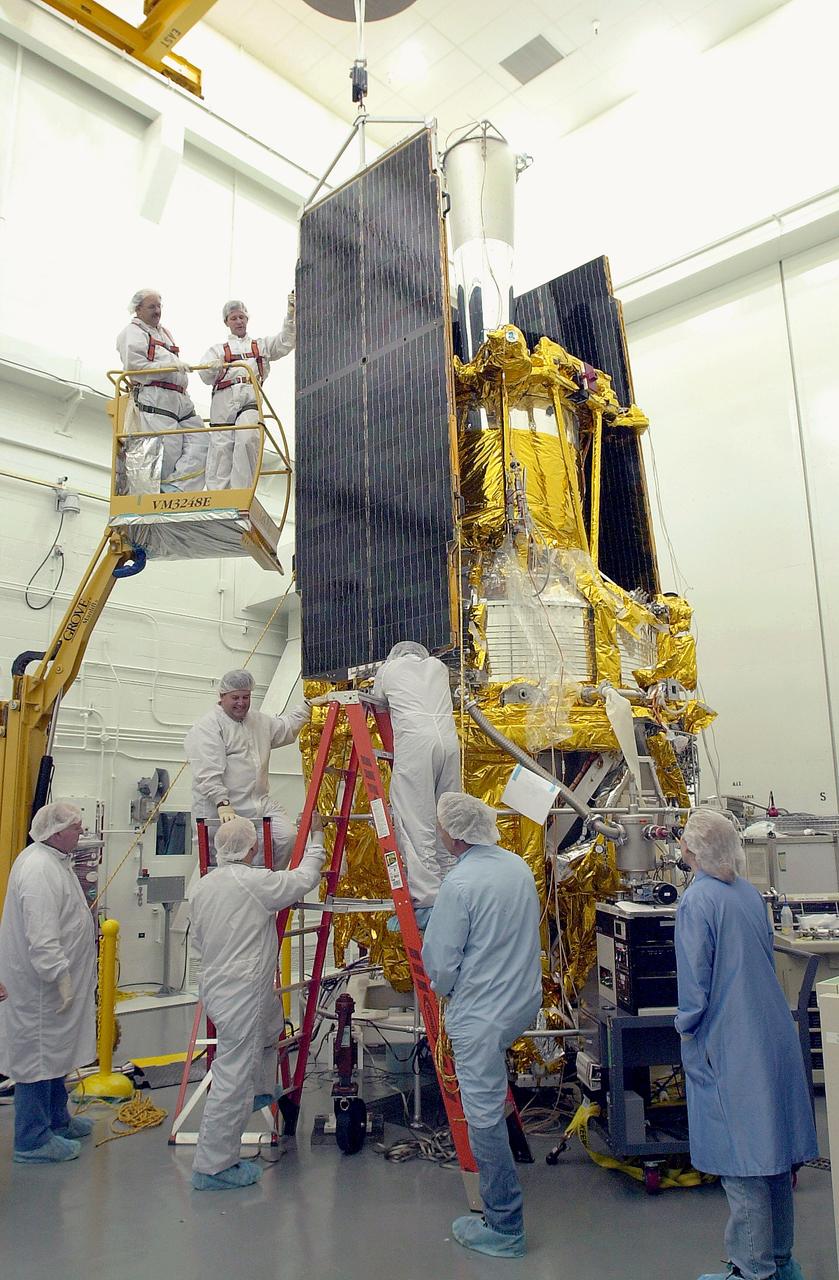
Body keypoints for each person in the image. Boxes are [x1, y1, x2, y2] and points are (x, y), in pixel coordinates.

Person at [676, 809, 818, 1280]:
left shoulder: (698, 901)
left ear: (693, 849)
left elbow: (695, 986)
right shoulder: (747, 894)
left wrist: (685, 1027)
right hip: (770, 1030)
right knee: (772, 1155)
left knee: (744, 1162)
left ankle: (751, 1269)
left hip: (730, 1039)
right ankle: (780, 1260)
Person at [422, 793, 542, 1259]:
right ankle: (502, 1213)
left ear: (454, 833)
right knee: (491, 1099)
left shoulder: (459, 884)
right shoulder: (516, 866)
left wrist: (432, 941)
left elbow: (442, 967)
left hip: (480, 1015)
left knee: (484, 1117)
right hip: (520, 1003)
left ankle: (504, 1224)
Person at [189, 815, 326, 1189]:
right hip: (242, 990)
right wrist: (316, 835)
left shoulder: (203, 886)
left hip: (221, 984)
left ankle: (260, 1090)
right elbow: (302, 880)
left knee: (270, 1028)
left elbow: (199, 940)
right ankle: (213, 1166)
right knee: (233, 1073)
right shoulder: (252, 883)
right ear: (252, 848)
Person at [0, 802, 97, 1163]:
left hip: (54, 986)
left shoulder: (54, 861)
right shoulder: (39, 868)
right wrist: (59, 976)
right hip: (41, 988)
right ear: (56, 832)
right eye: (76, 827)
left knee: (55, 1052)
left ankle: (57, 1120)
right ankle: (32, 1140)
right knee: (37, 1058)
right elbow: (42, 935)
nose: (81, 833)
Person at [184, 669, 309, 869]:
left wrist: (307, 707)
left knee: (287, 836)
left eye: (246, 697)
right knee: (230, 864)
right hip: (223, 809)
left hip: (259, 803)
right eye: (235, 697)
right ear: (222, 696)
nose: (241, 703)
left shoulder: (258, 722)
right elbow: (208, 772)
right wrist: (222, 802)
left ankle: (264, 884)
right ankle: (247, 886)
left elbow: (285, 728)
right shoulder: (208, 727)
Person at [372, 642, 461, 923]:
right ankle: (452, 886)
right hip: (448, 743)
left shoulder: (388, 670)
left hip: (416, 742)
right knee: (446, 817)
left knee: (415, 819)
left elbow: (378, 701)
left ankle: (427, 897)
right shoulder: (439, 667)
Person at [198, 295, 295, 491]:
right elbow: (204, 374)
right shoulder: (217, 350)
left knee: (248, 439)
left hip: (249, 398)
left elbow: (285, 341)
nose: (238, 321)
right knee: (221, 447)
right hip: (224, 400)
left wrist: (291, 315)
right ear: (227, 322)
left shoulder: (260, 346)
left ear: (247, 319)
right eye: (234, 318)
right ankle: (219, 496)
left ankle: (241, 493)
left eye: (241, 317)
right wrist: (211, 367)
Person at [115, 289, 207, 494]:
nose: (157, 311)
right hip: (156, 397)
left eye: (159, 306)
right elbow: (135, 366)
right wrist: (168, 368)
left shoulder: (164, 332)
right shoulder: (132, 333)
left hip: (180, 398)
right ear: (138, 309)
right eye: (151, 306)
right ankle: (160, 491)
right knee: (169, 448)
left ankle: (176, 488)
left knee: (201, 440)